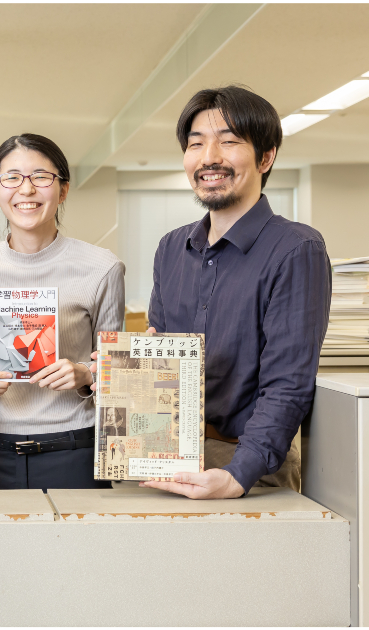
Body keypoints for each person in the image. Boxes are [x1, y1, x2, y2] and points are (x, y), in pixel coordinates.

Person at [93, 86, 331, 499]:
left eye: (230, 141)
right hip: (162, 454)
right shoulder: (172, 248)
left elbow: (288, 384)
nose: (209, 158)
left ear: (266, 156)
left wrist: (239, 475)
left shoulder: (296, 249)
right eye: (196, 144)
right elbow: (162, 357)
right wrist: (130, 372)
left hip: (250, 464)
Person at [0, 133, 125, 490]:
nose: (26, 190)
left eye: (41, 177)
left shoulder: (102, 267)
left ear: (62, 190)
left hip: (75, 450)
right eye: (12, 177)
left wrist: (85, 374)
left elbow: (118, 367)